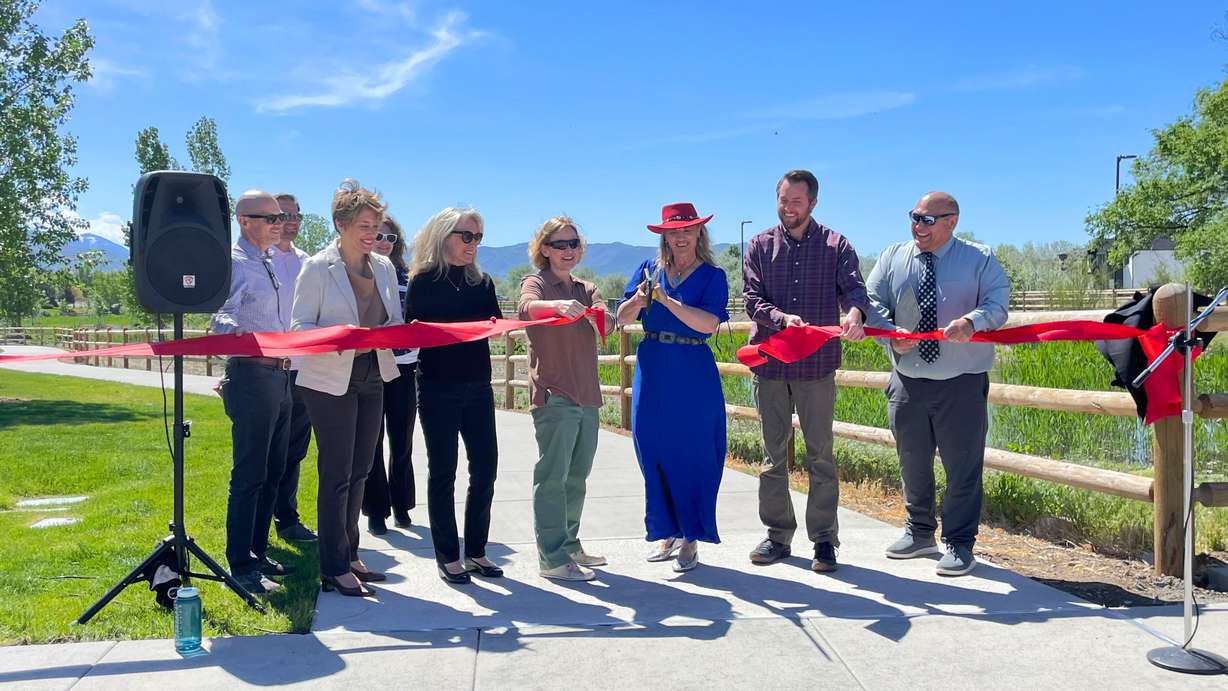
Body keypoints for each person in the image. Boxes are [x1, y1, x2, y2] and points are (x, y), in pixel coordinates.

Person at [864, 191, 1010, 577]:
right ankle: (919, 532)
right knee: (912, 462)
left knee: (962, 467)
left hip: (961, 382)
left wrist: (973, 321)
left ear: (951, 222)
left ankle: (960, 544)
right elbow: (870, 300)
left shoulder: (980, 258)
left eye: (927, 220)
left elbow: (999, 303)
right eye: (913, 217)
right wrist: (888, 333)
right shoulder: (892, 257)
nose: (917, 226)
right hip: (907, 381)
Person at [743, 170, 870, 573]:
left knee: (821, 456)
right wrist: (781, 319)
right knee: (771, 457)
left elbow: (855, 291)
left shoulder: (836, 245)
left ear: (812, 203)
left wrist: (854, 314)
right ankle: (778, 536)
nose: (789, 207)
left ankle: (824, 541)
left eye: (797, 201)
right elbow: (751, 298)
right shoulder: (759, 245)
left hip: (817, 367)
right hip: (772, 365)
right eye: (783, 199)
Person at [291, 179, 404, 597]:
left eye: (376, 224)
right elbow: (299, 326)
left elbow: (390, 321)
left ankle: (351, 554)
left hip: (374, 374)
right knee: (336, 473)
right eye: (364, 224)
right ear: (340, 224)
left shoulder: (385, 268)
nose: (372, 232)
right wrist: (341, 333)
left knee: (361, 470)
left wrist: (397, 333)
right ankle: (333, 566)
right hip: (328, 380)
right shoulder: (318, 268)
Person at [616, 202, 728, 572]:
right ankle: (667, 531)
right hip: (654, 367)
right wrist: (639, 299)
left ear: (699, 233)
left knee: (694, 452)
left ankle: (691, 538)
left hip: (693, 370)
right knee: (654, 449)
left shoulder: (713, 275)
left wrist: (668, 301)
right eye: (673, 231)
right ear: (664, 235)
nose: (680, 237)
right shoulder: (648, 271)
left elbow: (707, 324)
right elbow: (621, 317)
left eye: (687, 230)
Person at [405, 207, 504, 584]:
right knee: (443, 471)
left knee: (485, 470)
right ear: (444, 236)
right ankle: (448, 555)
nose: (473, 245)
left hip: (478, 386)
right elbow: (416, 332)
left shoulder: (484, 282)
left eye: (478, 237)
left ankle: (477, 551)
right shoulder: (424, 281)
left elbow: (493, 327)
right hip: (437, 387)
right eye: (466, 236)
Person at [518, 217, 615, 582]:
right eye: (559, 244)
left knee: (577, 476)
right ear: (544, 249)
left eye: (573, 243)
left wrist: (602, 317)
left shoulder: (587, 287)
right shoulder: (536, 283)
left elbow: (607, 319)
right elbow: (526, 309)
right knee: (552, 477)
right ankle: (552, 558)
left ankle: (570, 544)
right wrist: (556, 307)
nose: (568, 251)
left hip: (587, 395)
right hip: (554, 394)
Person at [210, 190, 296, 595]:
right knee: (249, 473)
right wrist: (236, 332)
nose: (279, 223)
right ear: (245, 221)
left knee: (274, 470)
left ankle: (258, 553)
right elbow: (220, 314)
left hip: (280, 375)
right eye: (271, 217)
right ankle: (240, 563)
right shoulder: (234, 262)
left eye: (281, 217)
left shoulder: (269, 261)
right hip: (252, 375)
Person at [362, 215, 420, 535]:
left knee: (402, 441)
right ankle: (375, 510)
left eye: (390, 238)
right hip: (370, 363)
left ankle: (401, 505)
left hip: (405, 365)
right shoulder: (358, 273)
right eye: (378, 236)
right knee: (372, 440)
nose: (384, 242)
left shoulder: (409, 277)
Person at [269, 192, 317, 544]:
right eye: (284, 214)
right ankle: (258, 524)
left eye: (296, 214)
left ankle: (287, 518)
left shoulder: (308, 263)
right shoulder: (257, 260)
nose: (292, 220)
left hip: (303, 369)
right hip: (267, 368)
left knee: (295, 449)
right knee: (267, 450)